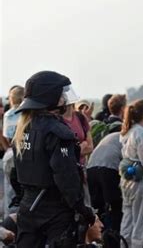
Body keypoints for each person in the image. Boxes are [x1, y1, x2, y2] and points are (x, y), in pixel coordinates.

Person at [11, 71, 95, 247]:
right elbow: (66, 176)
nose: (65, 99)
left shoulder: (24, 128)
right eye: (62, 94)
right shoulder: (57, 131)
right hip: (55, 211)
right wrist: (83, 209)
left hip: (28, 206)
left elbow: (15, 173)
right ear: (51, 97)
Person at [118, 99, 143, 248]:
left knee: (128, 218)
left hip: (126, 179)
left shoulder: (127, 131)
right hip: (140, 180)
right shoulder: (142, 134)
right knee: (141, 221)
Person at [2, 86, 25, 217]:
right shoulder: (25, 113)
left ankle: (8, 221)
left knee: (9, 190)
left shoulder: (8, 114)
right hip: (22, 151)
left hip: (9, 152)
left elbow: (5, 135)